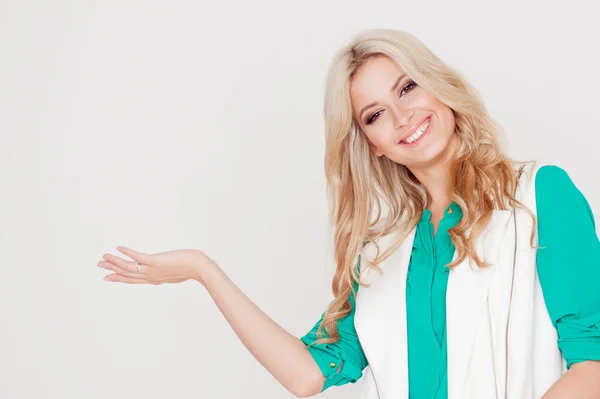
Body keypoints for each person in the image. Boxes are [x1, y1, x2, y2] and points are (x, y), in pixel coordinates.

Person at [97, 29, 600, 398]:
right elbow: (307, 374)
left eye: (407, 88)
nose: (403, 118)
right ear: (372, 145)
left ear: (438, 86)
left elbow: (592, 365)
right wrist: (204, 271)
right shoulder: (380, 256)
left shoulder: (538, 196)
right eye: (375, 114)